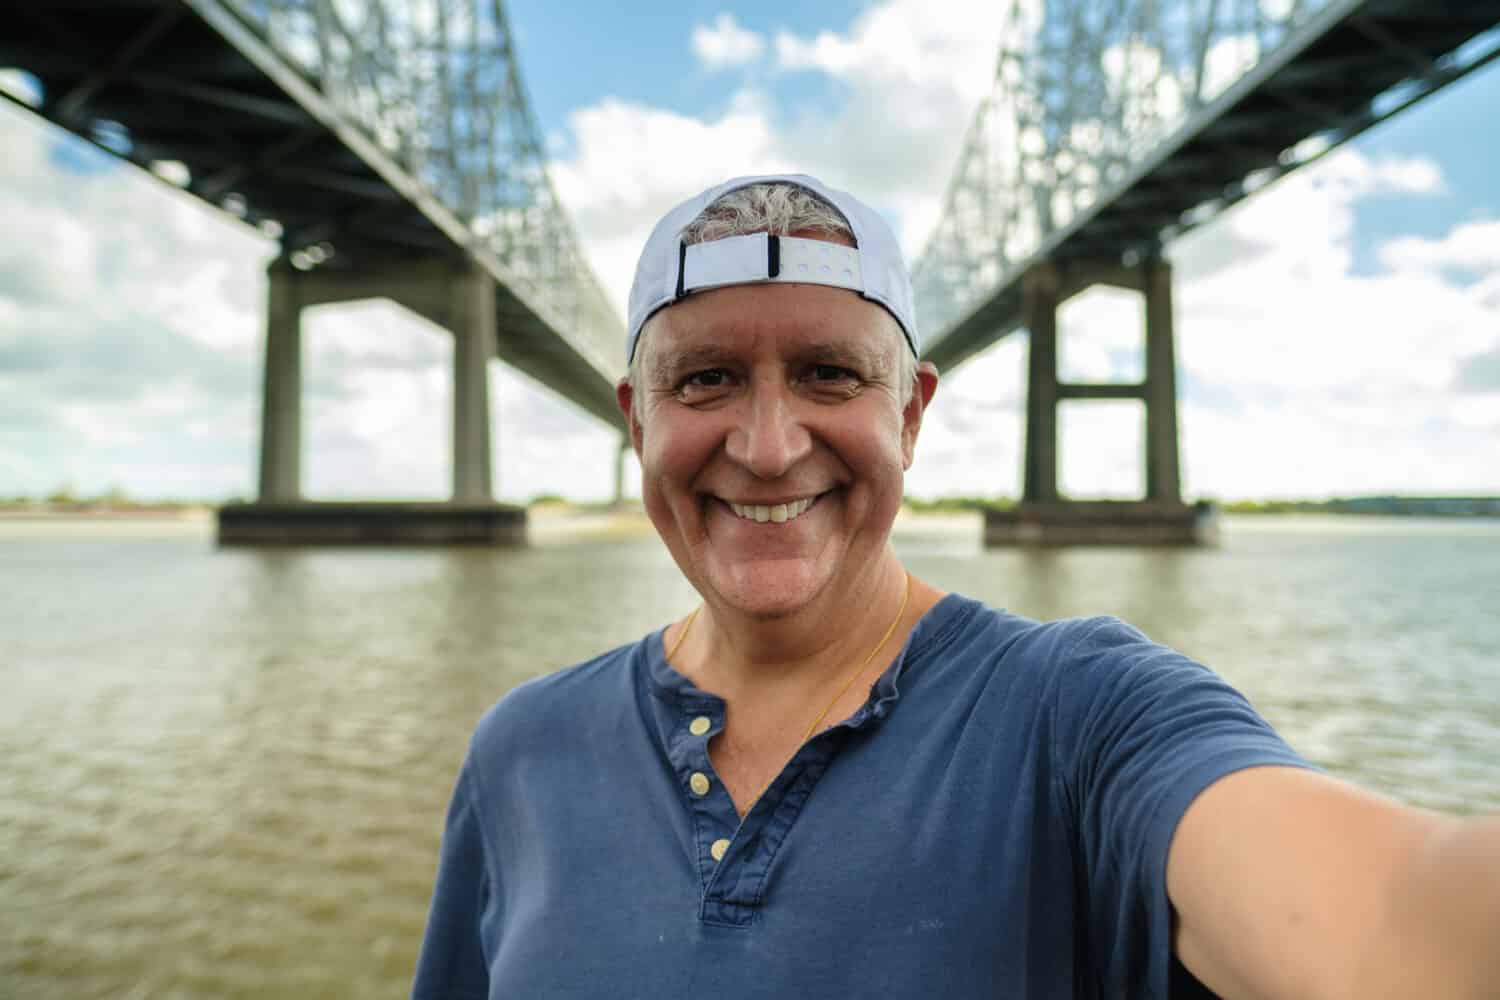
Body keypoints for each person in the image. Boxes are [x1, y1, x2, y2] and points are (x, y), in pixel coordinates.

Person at [412, 174, 1498, 998]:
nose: (771, 443)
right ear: (636, 418)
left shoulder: (1082, 719)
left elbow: (1388, 912)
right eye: (706, 379)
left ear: (914, 413)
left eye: (831, 373)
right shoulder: (521, 749)